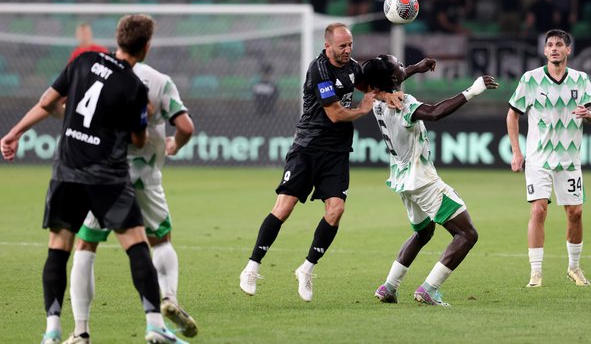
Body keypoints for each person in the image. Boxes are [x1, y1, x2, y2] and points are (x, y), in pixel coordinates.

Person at [0, 14, 184, 344]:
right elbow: (139, 141)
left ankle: (53, 330)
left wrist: (14, 133)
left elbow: (48, 103)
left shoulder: (83, 60)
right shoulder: (135, 88)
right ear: (145, 47)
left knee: (59, 249)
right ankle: (154, 325)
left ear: (117, 39)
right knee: (138, 245)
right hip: (108, 178)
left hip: (67, 171)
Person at [239, 23, 433, 302]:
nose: (347, 50)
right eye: (342, 46)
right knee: (285, 207)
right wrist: (363, 108)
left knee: (336, 209)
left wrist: (388, 93)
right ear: (327, 46)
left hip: (337, 152)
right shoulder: (319, 70)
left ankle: (306, 269)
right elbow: (336, 114)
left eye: (350, 45)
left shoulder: (353, 67)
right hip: (307, 148)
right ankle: (252, 267)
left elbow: (371, 87)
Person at [66, 62, 197, 343]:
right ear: (146, 46)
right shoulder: (160, 80)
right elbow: (186, 126)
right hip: (146, 175)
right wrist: (175, 144)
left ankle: (80, 332)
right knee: (160, 240)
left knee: (86, 245)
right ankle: (167, 301)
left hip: (105, 175)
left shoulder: (99, 77)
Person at [362, 54, 498, 306]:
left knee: (423, 233)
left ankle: (389, 287)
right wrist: (472, 91)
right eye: (400, 65)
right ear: (393, 78)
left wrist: (415, 68)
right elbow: (435, 113)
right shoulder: (403, 103)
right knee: (467, 234)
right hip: (422, 180)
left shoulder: (377, 100)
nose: (404, 67)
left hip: (402, 180)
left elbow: (393, 78)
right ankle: (429, 289)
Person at [506, 29, 591, 288]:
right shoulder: (531, 80)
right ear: (545, 51)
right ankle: (536, 273)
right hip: (539, 159)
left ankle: (574, 268)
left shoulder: (581, 80)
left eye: (559, 44)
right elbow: (512, 114)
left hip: (570, 159)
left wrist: (588, 114)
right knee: (538, 210)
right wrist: (516, 151)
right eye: (550, 45)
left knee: (576, 213)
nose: (554, 48)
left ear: (568, 50)